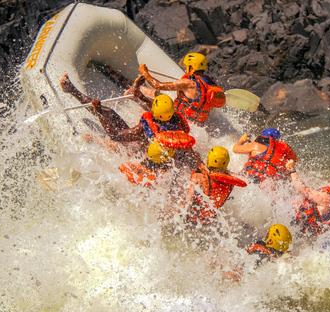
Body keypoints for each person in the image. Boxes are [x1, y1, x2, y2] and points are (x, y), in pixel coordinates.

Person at [60, 74, 200, 168]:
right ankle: (133, 92)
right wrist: (142, 97)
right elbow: (156, 108)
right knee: (110, 114)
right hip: (161, 158)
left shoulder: (142, 130)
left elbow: (114, 135)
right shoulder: (176, 120)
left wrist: (99, 113)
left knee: (107, 113)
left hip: (138, 154)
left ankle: (72, 90)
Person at [137, 52, 226, 127]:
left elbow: (157, 85)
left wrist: (145, 73)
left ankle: (135, 93)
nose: (185, 68)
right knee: (155, 94)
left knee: (154, 101)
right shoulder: (212, 85)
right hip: (196, 127)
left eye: (186, 66)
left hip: (176, 121)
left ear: (191, 67)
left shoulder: (189, 83)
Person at [285, 159, 330, 237]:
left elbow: (301, 189)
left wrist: (292, 169)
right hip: (308, 232)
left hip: (295, 224)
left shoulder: (327, 199)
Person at [179, 146, 247, 225]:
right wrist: (192, 152)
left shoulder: (199, 175)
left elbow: (188, 201)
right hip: (210, 222)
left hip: (192, 220)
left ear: (209, 159)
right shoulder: (232, 181)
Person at [233, 128, 298, 186]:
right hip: (266, 183)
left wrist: (242, 140)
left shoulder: (256, 146)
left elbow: (235, 149)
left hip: (247, 178)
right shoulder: (283, 156)